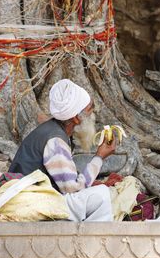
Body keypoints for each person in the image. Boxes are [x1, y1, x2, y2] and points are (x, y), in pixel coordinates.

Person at [8, 79, 116, 221]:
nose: (93, 115)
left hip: (34, 200)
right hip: (30, 204)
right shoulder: (55, 141)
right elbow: (73, 188)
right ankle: (96, 240)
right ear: (76, 118)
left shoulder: (54, 131)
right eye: (90, 110)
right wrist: (99, 158)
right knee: (101, 195)